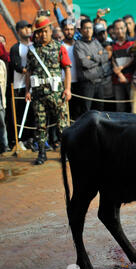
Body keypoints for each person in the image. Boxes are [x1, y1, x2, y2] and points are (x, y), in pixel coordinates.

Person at [25, 16, 72, 165]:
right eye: (39, 32)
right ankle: (42, 153)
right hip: (38, 94)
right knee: (40, 125)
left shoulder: (59, 47)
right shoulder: (32, 50)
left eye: (45, 31)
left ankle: (65, 153)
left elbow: (67, 68)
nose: (43, 34)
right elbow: (28, 72)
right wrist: (27, 90)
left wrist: (68, 89)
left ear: (50, 31)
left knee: (62, 124)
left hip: (56, 93)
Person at [74, 19, 109, 113]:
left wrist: (91, 57)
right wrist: (98, 57)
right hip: (87, 84)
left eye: (90, 28)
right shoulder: (78, 45)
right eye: (85, 28)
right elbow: (84, 63)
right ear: (81, 30)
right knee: (86, 112)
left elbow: (105, 57)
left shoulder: (96, 42)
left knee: (100, 111)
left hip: (99, 81)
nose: (88, 30)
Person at [9, 20, 35, 145]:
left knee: (33, 114)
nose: (28, 30)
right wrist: (31, 70)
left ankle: (32, 138)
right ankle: (19, 139)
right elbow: (18, 67)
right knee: (19, 114)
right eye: (24, 28)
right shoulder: (15, 48)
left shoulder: (35, 45)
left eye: (29, 27)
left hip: (34, 85)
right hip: (20, 86)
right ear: (18, 31)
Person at [111, 19, 135, 113]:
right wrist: (120, 74)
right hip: (117, 80)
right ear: (113, 30)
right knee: (120, 107)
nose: (119, 31)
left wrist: (122, 68)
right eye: (117, 29)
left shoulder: (132, 43)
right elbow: (112, 60)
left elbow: (133, 59)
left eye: (121, 28)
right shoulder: (112, 45)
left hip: (131, 79)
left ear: (126, 28)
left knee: (133, 107)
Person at [0, 58, 8, 154]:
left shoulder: (1, 63)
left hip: (1, 99)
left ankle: (4, 145)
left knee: (2, 123)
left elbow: (4, 82)